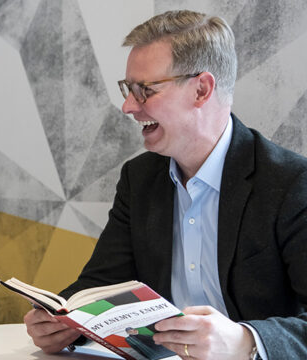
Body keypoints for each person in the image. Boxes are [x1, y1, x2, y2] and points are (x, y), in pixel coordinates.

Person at [24, 10, 307, 360]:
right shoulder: (138, 179)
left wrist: (245, 341)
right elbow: (100, 286)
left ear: (201, 89)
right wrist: (62, 324)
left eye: (145, 90)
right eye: (129, 89)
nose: (128, 106)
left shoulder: (292, 183)